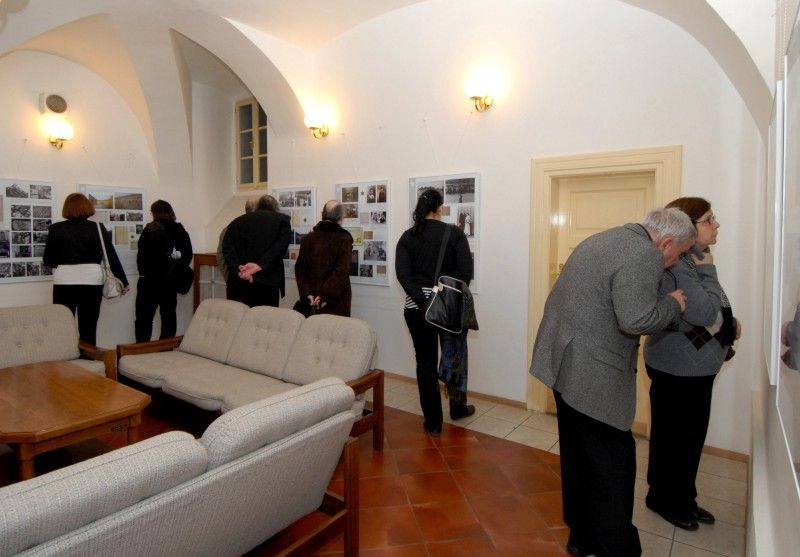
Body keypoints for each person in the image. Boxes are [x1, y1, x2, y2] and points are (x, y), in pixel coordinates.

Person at [529, 207, 696, 557]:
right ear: (666, 242)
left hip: (564, 362)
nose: (675, 262)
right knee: (612, 466)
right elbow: (636, 319)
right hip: (594, 374)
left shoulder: (604, 237)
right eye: (679, 254)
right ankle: (616, 547)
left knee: (578, 457)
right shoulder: (645, 254)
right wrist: (673, 304)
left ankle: (581, 537)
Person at [643, 198, 741, 531]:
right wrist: (709, 271)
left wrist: (729, 322)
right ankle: (664, 499)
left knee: (688, 438)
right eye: (709, 219)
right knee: (675, 440)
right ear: (688, 225)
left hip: (694, 367)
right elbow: (702, 313)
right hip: (677, 368)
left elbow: (711, 308)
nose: (716, 224)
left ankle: (684, 497)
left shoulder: (694, 258)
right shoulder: (681, 265)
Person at [396, 188, 474, 437]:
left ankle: (433, 422)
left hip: (416, 310)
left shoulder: (408, 237)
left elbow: (403, 276)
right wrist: (441, 300)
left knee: (425, 363)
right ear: (440, 208)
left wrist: (424, 302)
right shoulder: (454, 234)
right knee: (454, 357)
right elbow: (465, 274)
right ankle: (457, 408)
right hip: (448, 309)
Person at [43, 192, 130, 345]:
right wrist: (123, 281)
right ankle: (88, 358)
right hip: (91, 281)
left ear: (66, 208)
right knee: (89, 327)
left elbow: (48, 260)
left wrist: (66, 260)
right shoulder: (98, 228)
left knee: (63, 325)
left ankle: (66, 357)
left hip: (64, 282)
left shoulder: (56, 228)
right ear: (87, 207)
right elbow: (111, 256)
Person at [134, 200, 193, 342]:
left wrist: (144, 273)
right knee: (168, 317)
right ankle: (165, 348)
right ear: (170, 211)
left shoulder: (150, 229)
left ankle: (141, 349)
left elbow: (142, 256)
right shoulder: (179, 229)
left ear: (154, 213)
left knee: (144, 318)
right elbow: (187, 254)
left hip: (149, 281)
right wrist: (175, 272)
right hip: (169, 282)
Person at [222, 194, 291, 307]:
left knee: (238, 317)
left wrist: (239, 269)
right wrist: (259, 265)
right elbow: (279, 248)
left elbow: (227, 250)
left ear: (258, 206)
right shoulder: (282, 221)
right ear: (276, 208)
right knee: (264, 318)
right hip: (267, 286)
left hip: (238, 285)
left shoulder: (235, 223)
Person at [294, 200, 354, 316]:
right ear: (340, 218)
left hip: (312, 301)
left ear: (323, 214)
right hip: (336, 302)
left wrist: (307, 294)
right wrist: (323, 296)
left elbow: (300, 269)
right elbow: (341, 273)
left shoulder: (308, 238)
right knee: (335, 328)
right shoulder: (344, 239)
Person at [216, 196, 259, 282]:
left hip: (236, 279)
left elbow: (220, 256)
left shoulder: (229, 227)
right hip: (249, 280)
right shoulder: (262, 229)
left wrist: (228, 277)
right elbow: (221, 255)